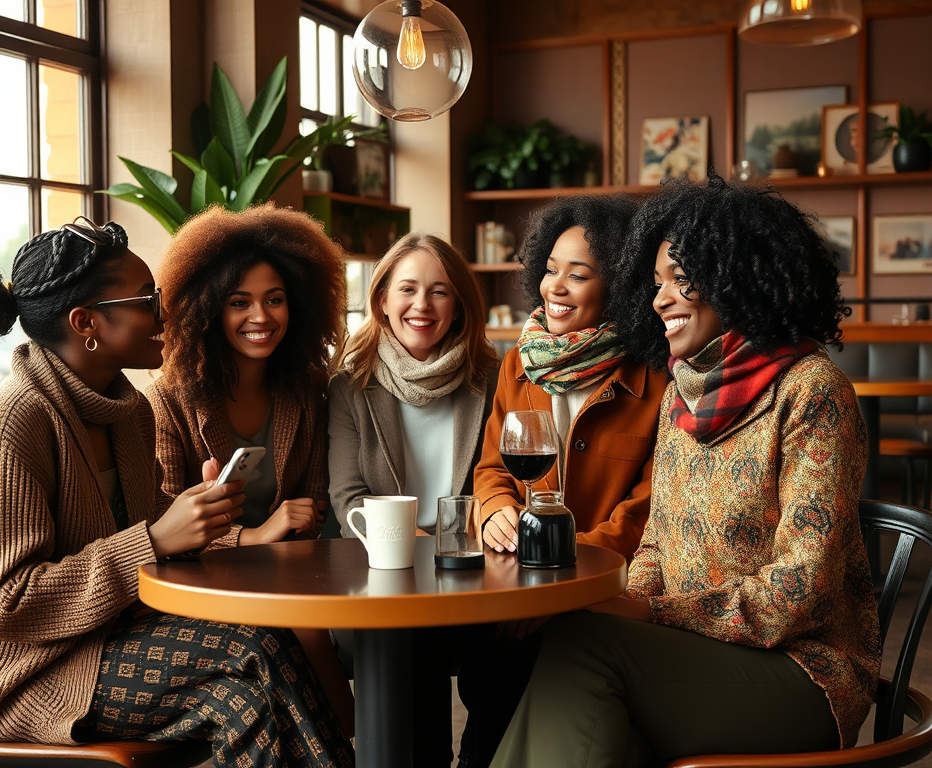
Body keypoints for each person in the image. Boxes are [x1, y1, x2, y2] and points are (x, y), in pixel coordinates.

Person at [0, 217, 353, 768]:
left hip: (107, 638)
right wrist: (152, 539)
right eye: (147, 299)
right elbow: (7, 603)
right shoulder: (12, 426)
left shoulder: (124, 412)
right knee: (247, 658)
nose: (166, 313)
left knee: (265, 648)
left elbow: (161, 533)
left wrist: (203, 521)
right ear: (86, 323)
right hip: (19, 676)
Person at [492, 176, 881, 767]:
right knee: (587, 694)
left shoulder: (812, 393)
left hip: (803, 673)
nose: (659, 300)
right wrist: (629, 598)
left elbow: (802, 590)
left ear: (739, 277)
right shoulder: (685, 395)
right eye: (655, 284)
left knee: (584, 653)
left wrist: (650, 611)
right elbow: (655, 549)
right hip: (691, 652)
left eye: (681, 279)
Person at [144, 204, 354, 736]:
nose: (261, 317)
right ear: (208, 309)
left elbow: (314, 498)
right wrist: (254, 536)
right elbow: (161, 522)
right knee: (303, 629)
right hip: (202, 583)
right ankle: (351, 740)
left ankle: (352, 740)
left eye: (275, 299)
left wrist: (294, 525)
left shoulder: (305, 387)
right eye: (240, 302)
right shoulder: (168, 398)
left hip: (290, 569)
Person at [327, 233, 500, 768]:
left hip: (476, 567)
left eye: (440, 291)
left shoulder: (492, 378)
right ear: (381, 299)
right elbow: (348, 498)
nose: (422, 306)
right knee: (409, 650)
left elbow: (502, 482)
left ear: (460, 304)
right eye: (407, 289)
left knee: (508, 662)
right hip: (389, 571)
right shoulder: (351, 386)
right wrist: (422, 548)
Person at [474, 195, 667, 562]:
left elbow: (647, 509)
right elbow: (493, 469)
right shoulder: (518, 364)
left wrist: (567, 558)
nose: (555, 288)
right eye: (550, 270)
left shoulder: (655, 381)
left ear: (620, 287)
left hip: (605, 578)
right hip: (517, 567)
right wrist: (494, 508)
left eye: (577, 275)